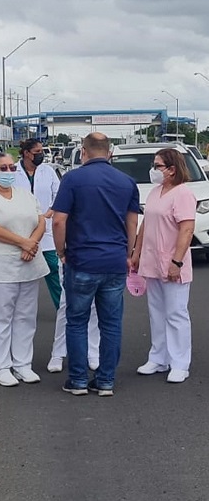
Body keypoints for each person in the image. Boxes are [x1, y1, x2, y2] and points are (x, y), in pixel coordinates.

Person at [53, 132, 139, 397]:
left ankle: (78, 380)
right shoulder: (127, 182)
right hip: (114, 261)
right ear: (109, 151)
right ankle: (105, 381)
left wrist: (61, 251)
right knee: (111, 323)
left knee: (77, 321)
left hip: (81, 259)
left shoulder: (73, 179)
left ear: (83, 151)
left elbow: (58, 220)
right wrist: (127, 253)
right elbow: (132, 223)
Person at [0, 153, 48, 386]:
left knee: (26, 317)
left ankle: (23, 364)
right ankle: (1, 366)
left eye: (11, 167)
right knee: (1, 318)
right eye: (3, 168)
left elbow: (41, 221)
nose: (8, 171)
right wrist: (22, 242)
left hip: (28, 263)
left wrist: (32, 243)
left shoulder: (25, 195)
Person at [130, 148, 196, 383]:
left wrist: (176, 261)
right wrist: (136, 252)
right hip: (151, 261)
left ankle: (180, 363)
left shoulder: (183, 194)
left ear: (171, 170)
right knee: (156, 312)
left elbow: (187, 229)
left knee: (176, 313)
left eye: (157, 165)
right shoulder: (156, 192)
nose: (153, 170)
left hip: (171, 262)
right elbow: (146, 223)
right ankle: (159, 357)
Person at [15, 138, 62, 310]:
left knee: (53, 269)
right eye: (37, 152)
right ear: (26, 153)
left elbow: (59, 194)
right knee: (22, 271)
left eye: (42, 151)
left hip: (47, 228)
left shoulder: (47, 171)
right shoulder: (13, 171)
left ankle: (62, 308)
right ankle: (20, 310)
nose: (40, 155)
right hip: (21, 230)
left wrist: (50, 211)